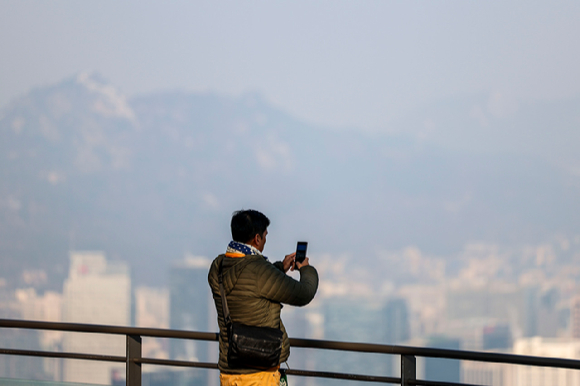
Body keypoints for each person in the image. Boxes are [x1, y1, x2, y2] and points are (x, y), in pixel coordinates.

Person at [208, 209, 319, 386]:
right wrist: (306, 269)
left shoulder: (218, 266)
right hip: (259, 373)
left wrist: (278, 269)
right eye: (265, 236)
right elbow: (304, 293)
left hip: (229, 372)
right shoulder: (259, 270)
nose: (266, 241)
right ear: (257, 239)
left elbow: (248, 285)